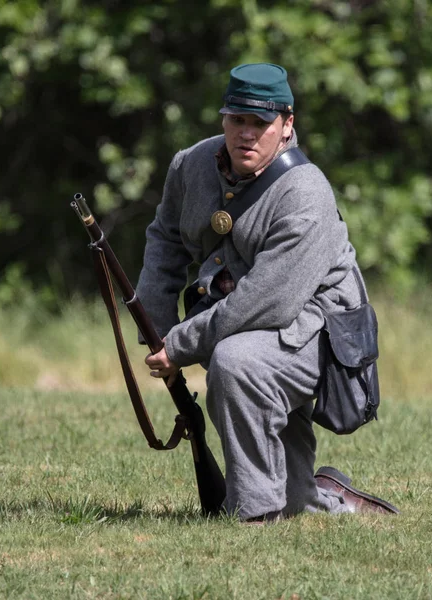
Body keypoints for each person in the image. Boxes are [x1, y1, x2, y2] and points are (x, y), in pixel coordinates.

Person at [136, 63, 398, 522]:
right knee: (298, 500)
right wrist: (156, 327)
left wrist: (178, 345)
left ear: (287, 125)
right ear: (224, 120)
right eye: (238, 120)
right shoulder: (191, 164)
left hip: (322, 332)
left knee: (238, 362)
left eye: (262, 123)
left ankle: (255, 515)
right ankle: (319, 494)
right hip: (254, 329)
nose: (248, 134)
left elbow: (267, 301)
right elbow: (165, 239)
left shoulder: (305, 191)